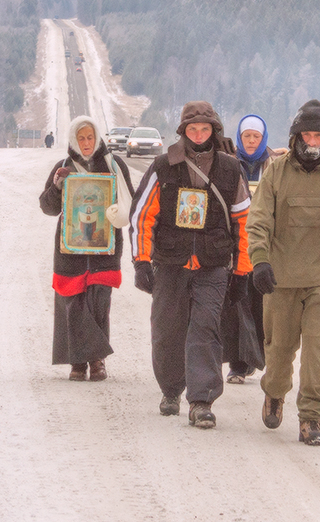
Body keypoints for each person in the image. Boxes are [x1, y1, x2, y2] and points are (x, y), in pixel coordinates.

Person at [131, 102, 252, 429]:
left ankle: (201, 400)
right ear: (183, 131)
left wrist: (242, 270)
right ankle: (170, 389)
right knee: (167, 327)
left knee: (206, 325)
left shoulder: (230, 169)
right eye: (193, 129)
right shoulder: (163, 165)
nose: (199, 135)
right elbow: (142, 215)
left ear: (214, 130)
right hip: (170, 261)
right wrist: (141, 260)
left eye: (205, 129)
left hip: (213, 263)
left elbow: (244, 222)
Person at [247, 100, 320, 446]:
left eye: (319, 135)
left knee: (318, 350)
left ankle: (311, 418)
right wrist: (260, 260)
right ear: (296, 136)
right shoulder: (277, 171)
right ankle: (275, 392)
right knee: (279, 350)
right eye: (306, 134)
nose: (312, 141)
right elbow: (260, 220)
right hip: (282, 275)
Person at [38, 115, 134, 382]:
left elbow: (132, 202)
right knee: (74, 303)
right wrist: (58, 186)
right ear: (73, 140)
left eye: (90, 137)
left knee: (99, 303)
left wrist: (119, 214)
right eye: (81, 138)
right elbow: (47, 207)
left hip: (105, 250)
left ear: (98, 137)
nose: (87, 142)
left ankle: (97, 360)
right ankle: (77, 362)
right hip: (71, 250)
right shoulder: (64, 167)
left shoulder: (114, 165)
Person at [223, 114, 280, 384]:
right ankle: (237, 363)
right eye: (247, 136)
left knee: (261, 306)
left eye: (256, 136)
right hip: (235, 246)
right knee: (237, 304)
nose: (251, 141)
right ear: (240, 137)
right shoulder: (230, 163)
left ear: (263, 137)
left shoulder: (275, 164)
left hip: (265, 247)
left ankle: (258, 357)